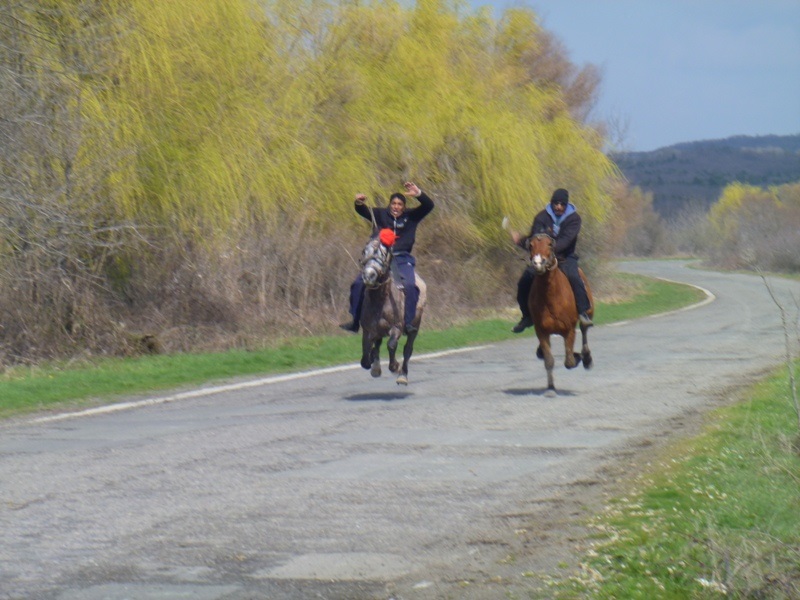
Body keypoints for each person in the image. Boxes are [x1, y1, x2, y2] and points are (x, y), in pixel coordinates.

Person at [340, 181, 434, 334]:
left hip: (401, 259)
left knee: (410, 285)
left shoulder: (411, 217)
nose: (396, 207)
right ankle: (355, 321)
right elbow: (363, 211)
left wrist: (418, 194)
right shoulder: (380, 215)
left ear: (403, 207)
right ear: (390, 205)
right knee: (358, 283)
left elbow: (429, 206)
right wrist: (358, 202)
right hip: (380, 258)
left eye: (399, 204)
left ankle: (409, 322)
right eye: (393, 204)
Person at [509, 188, 593, 333]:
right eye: (555, 203)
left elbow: (566, 240)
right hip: (541, 259)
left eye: (562, 204)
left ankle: (583, 312)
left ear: (566, 205)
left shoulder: (574, 219)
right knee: (524, 281)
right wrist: (520, 241)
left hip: (565, 257)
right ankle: (527, 316)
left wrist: (549, 250)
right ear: (551, 203)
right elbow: (533, 240)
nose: (558, 206)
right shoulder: (541, 217)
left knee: (575, 277)